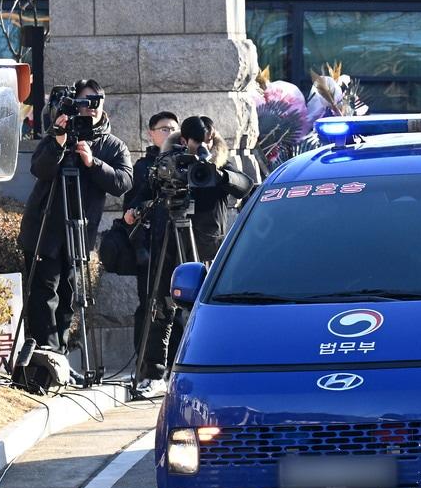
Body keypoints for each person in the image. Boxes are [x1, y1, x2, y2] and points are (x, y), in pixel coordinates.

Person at [136, 115, 251, 392]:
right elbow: (146, 192)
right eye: (197, 142)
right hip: (171, 242)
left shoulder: (220, 160)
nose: (202, 147)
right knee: (161, 305)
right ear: (184, 140)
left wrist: (219, 173)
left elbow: (245, 185)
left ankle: (217, 369)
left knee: (211, 308)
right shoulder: (170, 160)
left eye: (207, 141)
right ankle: (154, 373)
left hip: (207, 245)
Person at [19, 79, 133, 356]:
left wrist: (93, 163)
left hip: (79, 232)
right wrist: (58, 143)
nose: (91, 107)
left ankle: (60, 354)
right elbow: (38, 169)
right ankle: (46, 357)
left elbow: (123, 182)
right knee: (43, 295)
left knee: (69, 297)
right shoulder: (57, 135)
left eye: (96, 101)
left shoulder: (112, 145)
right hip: (45, 228)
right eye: (85, 101)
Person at [124, 111, 180, 358]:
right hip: (152, 247)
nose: (170, 134)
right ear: (151, 134)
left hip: (180, 245)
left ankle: (175, 362)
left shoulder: (186, 162)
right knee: (151, 305)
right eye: (164, 129)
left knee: (180, 306)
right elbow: (133, 205)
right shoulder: (144, 167)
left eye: (174, 129)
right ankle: (148, 364)